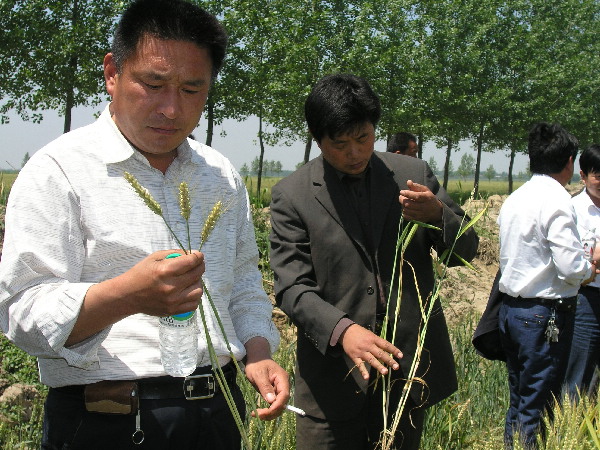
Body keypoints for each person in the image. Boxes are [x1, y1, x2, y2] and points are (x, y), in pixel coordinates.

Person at [0, 0, 289, 448]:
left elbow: (244, 280)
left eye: (191, 89)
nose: (171, 109)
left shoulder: (220, 175)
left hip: (216, 412)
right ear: (112, 73)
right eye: (153, 84)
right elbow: (23, 311)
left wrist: (258, 351)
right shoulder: (59, 171)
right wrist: (128, 295)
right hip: (105, 422)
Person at [269, 74, 479, 450]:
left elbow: (466, 251)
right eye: (340, 144)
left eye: (363, 138)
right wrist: (343, 331)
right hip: (332, 384)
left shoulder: (411, 176)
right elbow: (292, 288)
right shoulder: (293, 195)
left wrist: (437, 215)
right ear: (317, 138)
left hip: (405, 374)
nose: (355, 153)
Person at [497, 123, 598, 449]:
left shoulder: (516, 197)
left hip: (511, 311)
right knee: (538, 406)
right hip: (544, 316)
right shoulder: (557, 200)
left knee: (519, 400)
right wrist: (590, 267)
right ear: (570, 162)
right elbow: (570, 267)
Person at [564, 144, 600, 399]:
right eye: (598, 175)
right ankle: (572, 418)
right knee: (579, 371)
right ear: (583, 176)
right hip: (586, 297)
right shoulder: (572, 209)